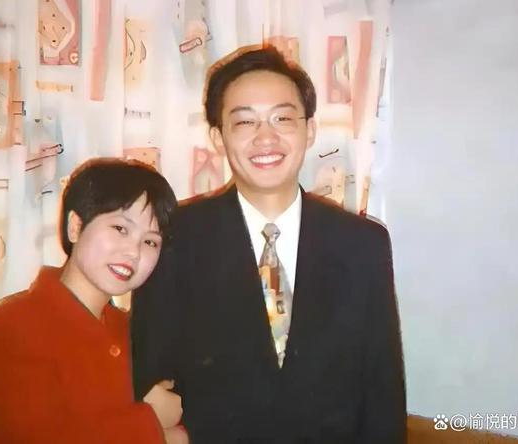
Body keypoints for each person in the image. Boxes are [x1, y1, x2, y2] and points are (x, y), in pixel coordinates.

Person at [132, 46, 407, 443]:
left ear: (309, 130)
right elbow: (149, 373)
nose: (266, 137)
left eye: (282, 118)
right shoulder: (175, 239)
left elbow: (383, 388)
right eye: (245, 122)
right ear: (218, 137)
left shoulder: (363, 244)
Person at [0, 158, 188, 444]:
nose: (133, 252)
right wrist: (155, 423)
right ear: (75, 226)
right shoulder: (16, 321)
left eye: (150, 242)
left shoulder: (130, 328)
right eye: (120, 228)